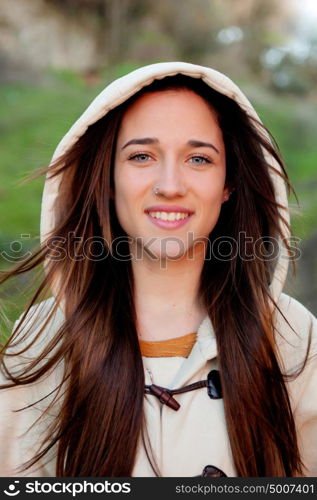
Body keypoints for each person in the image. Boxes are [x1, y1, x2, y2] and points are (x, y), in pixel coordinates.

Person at [0, 62, 316, 478]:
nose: (169, 184)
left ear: (228, 185)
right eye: (142, 156)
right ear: (109, 179)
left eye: (199, 158)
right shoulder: (40, 339)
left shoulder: (294, 337)